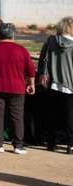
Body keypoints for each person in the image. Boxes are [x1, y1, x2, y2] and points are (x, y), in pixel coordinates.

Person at [0, 22, 36, 154]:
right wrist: (31, 84)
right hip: (17, 87)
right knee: (17, 116)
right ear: (13, 35)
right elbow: (31, 69)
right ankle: (18, 145)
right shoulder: (21, 50)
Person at [38, 17, 73, 154]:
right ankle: (71, 145)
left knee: (52, 113)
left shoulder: (51, 41)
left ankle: (51, 143)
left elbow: (42, 60)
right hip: (70, 83)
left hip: (52, 83)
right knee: (70, 114)